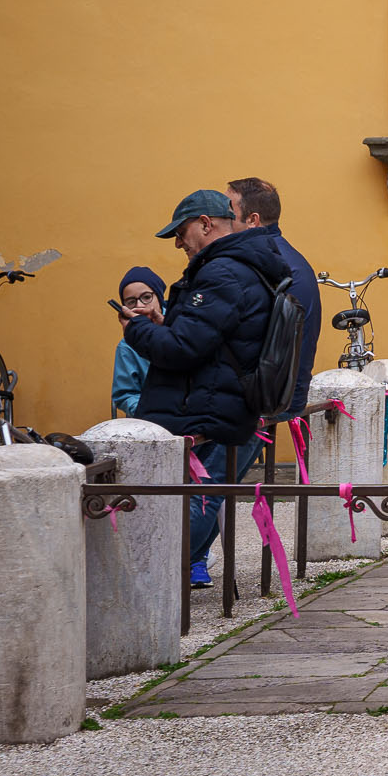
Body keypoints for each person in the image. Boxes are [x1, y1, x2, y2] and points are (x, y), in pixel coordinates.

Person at [120, 190, 288, 585]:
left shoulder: (222, 271)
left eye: (181, 233)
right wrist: (167, 327)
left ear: (205, 224)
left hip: (205, 411)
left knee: (190, 507)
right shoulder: (247, 265)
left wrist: (138, 330)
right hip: (221, 403)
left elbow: (183, 349)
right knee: (201, 501)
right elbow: (211, 339)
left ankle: (155, 589)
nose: (179, 243)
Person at [228, 177, 323, 413]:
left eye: (228, 210)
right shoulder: (286, 257)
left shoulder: (265, 263)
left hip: (262, 404)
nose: (222, 217)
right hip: (279, 397)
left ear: (252, 220)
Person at [111, 267, 164, 417]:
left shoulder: (183, 328)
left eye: (146, 297)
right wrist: (152, 414)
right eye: (131, 302)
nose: (139, 306)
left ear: (159, 298)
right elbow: (125, 395)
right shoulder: (127, 347)